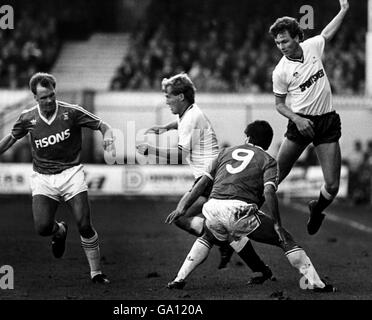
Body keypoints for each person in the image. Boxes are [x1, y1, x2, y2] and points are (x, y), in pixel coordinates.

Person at [0, 72, 114, 284]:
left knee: (84, 224)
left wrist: (108, 138)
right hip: (43, 177)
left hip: (71, 173)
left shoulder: (71, 112)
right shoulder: (27, 118)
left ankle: (96, 273)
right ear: (35, 98)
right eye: (43, 97)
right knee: (43, 228)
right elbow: (10, 139)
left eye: (51, 95)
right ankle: (60, 230)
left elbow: (103, 125)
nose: (49, 101)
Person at [165, 120, 335, 292]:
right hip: (239, 211)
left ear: (247, 138)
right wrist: (277, 224)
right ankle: (315, 283)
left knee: (209, 236)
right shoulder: (268, 160)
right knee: (285, 239)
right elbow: (269, 192)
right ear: (268, 143)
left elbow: (202, 183)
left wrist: (183, 208)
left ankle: (179, 279)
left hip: (212, 207)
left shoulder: (225, 152)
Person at [136, 73, 273, 284]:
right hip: (212, 176)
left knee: (185, 218)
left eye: (168, 96)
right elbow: (181, 122)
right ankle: (256, 266)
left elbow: (181, 154)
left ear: (181, 96)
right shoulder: (189, 113)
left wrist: (151, 149)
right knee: (225, 228)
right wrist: (166, 128)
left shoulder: (191, 117)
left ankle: (229, 247)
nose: (166, 101)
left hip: (210, 178)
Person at [270, 0, 349, 235]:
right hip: (300, 123)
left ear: (296, 36)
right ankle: (248, 214)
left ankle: (317, 209)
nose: (281, 46)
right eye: (277, 42)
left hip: (326, 122)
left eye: (284, 40)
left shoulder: (313, 46)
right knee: (275, 176)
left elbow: (326, 32)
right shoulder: (280, 71)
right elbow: (279, 105)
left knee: (332, 186)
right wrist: (297, 119)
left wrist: (344, 10)